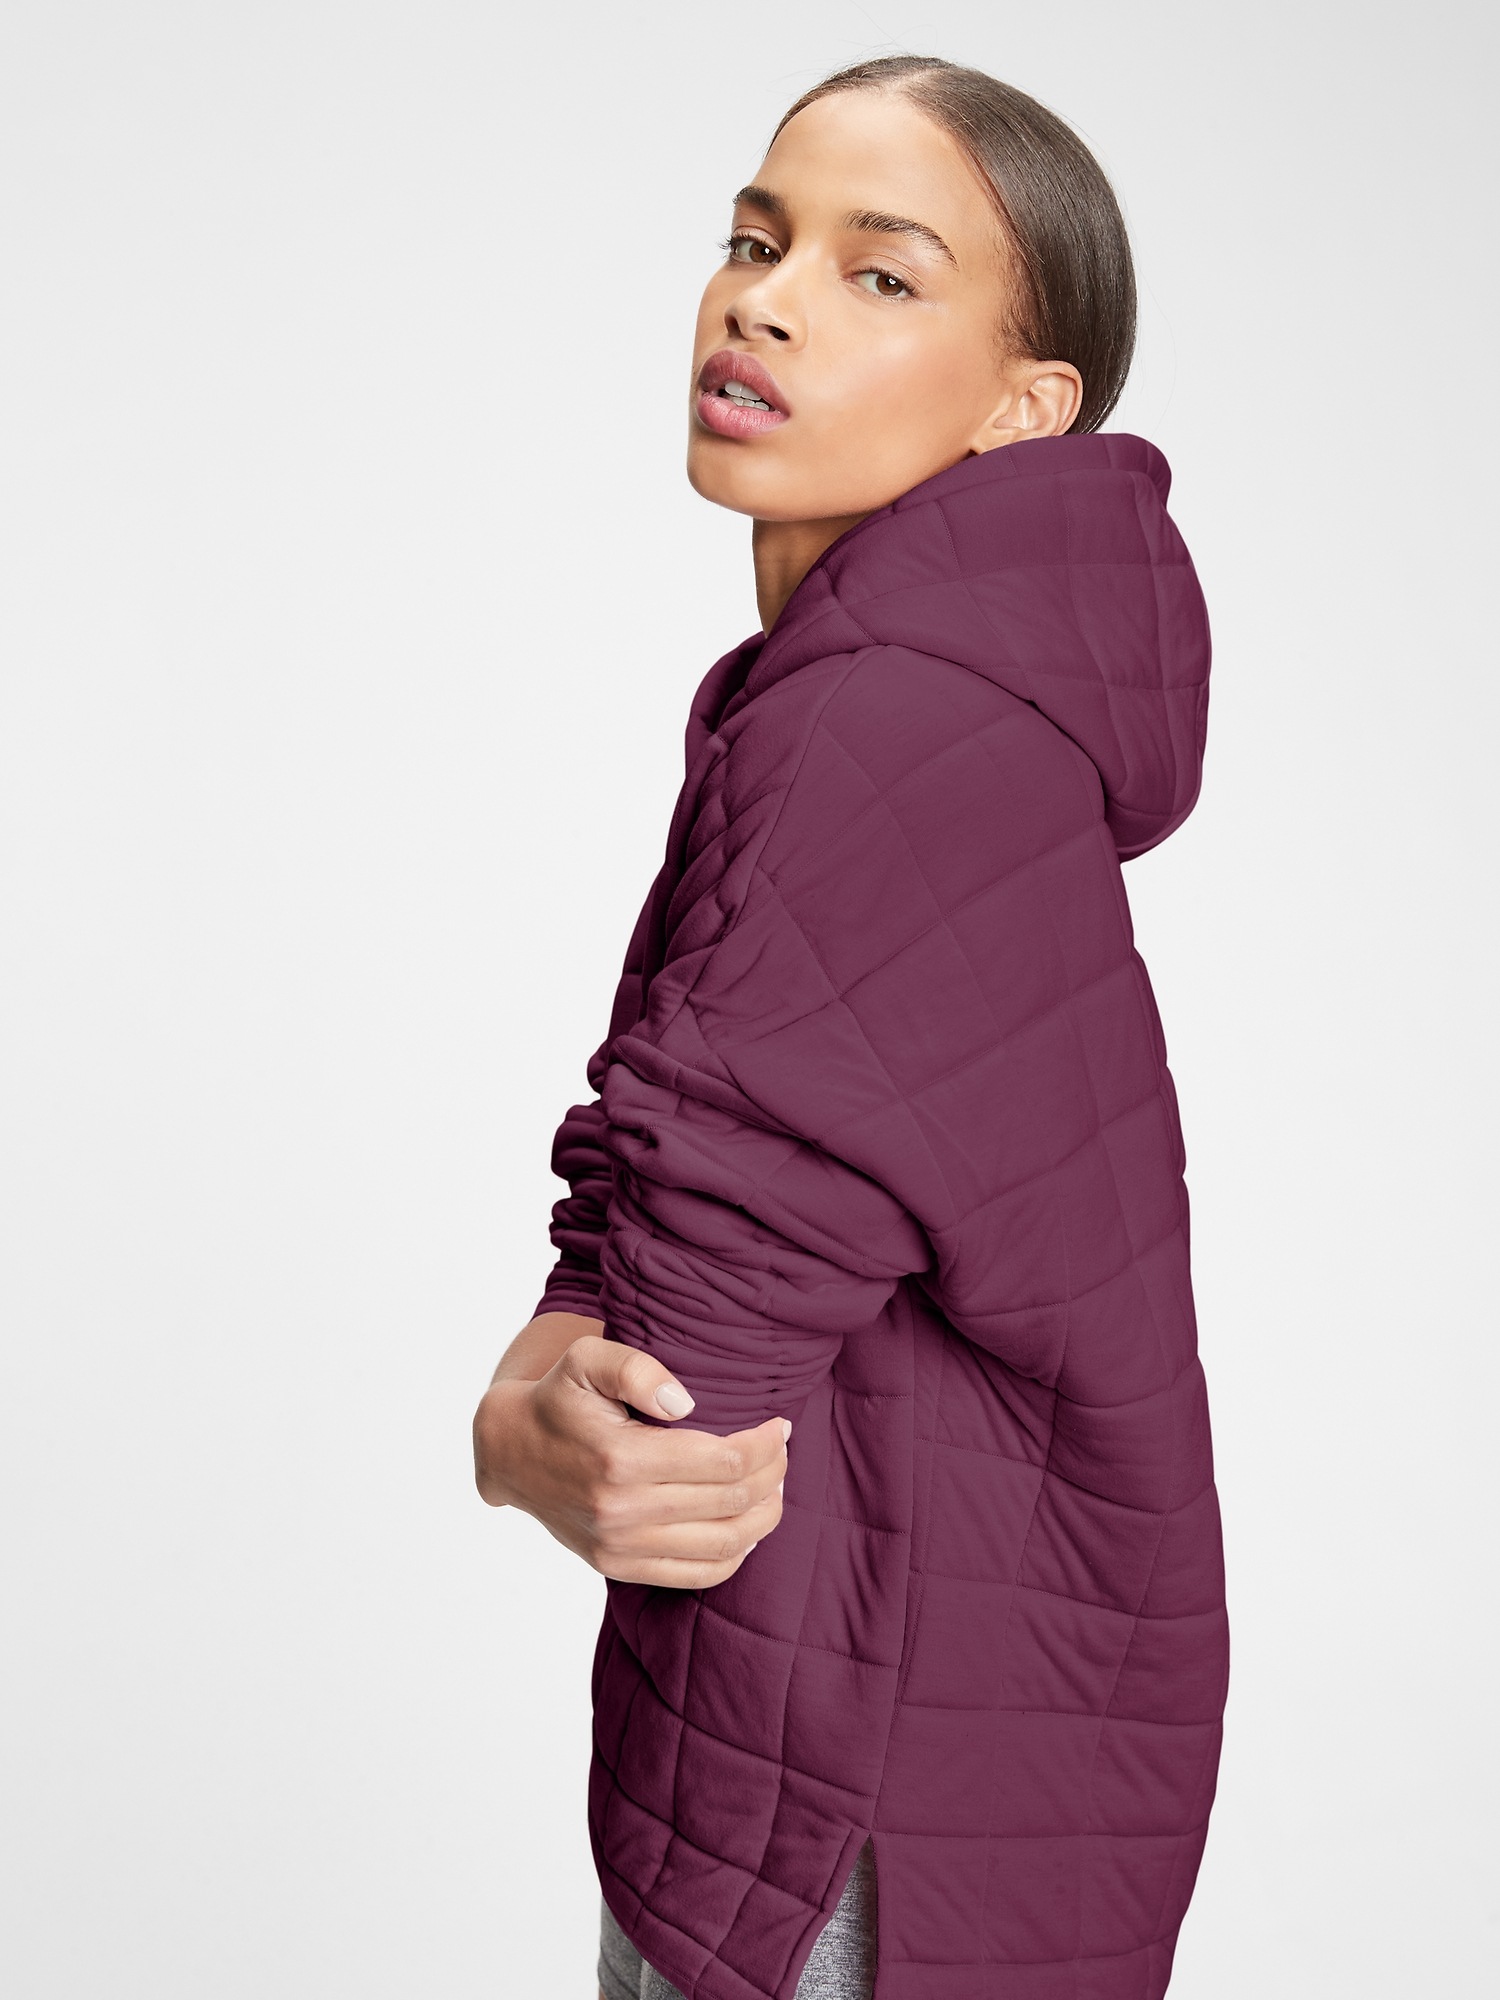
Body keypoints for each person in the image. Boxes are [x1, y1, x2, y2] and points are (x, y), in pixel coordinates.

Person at [473, 54, 1227, 2000]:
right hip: (928, 1739)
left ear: (1023, 408)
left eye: (880, 274)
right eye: (755, 241)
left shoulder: (886, 718)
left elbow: (675, 1411)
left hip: (859, 1796)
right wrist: (554, 1377)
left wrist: (526, 1419)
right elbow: (677, 1167)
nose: (767, 303)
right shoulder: (879, 692)